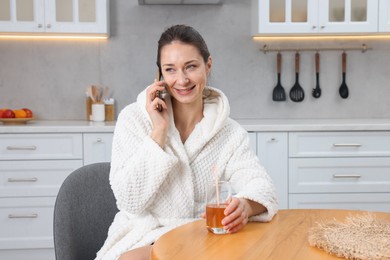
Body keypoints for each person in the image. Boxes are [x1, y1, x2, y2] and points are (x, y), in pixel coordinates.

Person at [95, 24, 278, 260]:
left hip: (204, 237)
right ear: (160, 75)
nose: (181, 80)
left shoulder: (229, 133)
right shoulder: (134, 120)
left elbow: (263, 187)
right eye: (170, 69)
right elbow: (130, 200)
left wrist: (246, 205)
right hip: (146, 236)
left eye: (190, 67)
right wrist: (159, 132)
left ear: (208, 65)